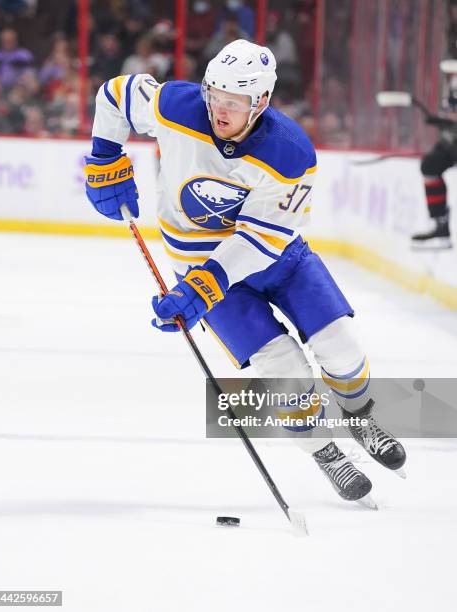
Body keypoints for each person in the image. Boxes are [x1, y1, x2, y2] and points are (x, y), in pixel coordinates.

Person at [84, 39, 406, 506]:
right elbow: (115, 95)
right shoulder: (177, 105)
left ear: (261, 102)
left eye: (233, 102)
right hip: (199, 265)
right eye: (214, 94)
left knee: (341, 347)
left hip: (278, 259)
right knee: (284, 370)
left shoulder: (290, 152)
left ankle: (359, 415)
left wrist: (203, 287)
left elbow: (261, 238)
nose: (218, 108)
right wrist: (103, 156)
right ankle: (325, 451)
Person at [411, 62, 457, 250]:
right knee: (429, 165)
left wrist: (445, 121)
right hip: (452, 141)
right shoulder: (452, 81)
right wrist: (443, 121)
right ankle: (440, 224)